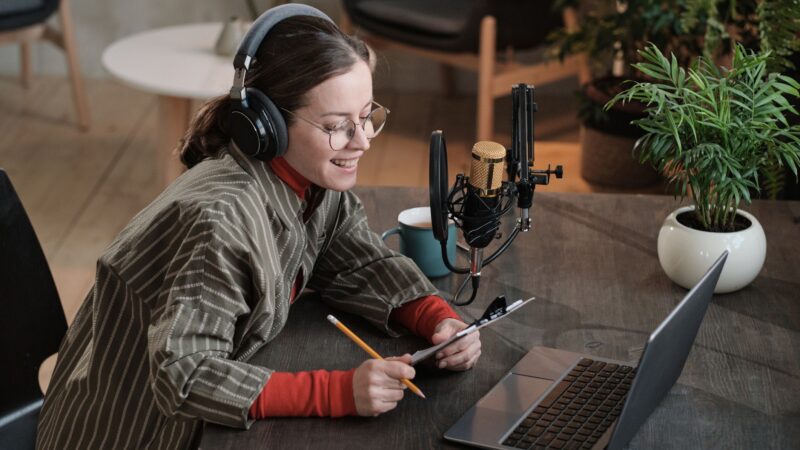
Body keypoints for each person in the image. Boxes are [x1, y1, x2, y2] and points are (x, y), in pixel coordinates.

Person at [36, 6, 481, 450]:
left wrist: (438, 321)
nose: (362, 140)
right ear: (267, 125)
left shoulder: (312, 182)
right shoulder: (221, 220)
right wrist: (336, 392)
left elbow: (356, 259)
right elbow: (184, 374)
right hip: (129, 431)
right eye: (337, 127)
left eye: (366, 116)